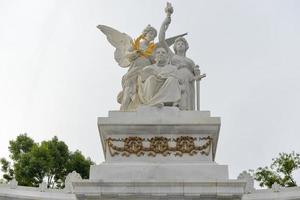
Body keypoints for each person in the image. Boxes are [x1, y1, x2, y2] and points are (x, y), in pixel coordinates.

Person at [158, 16, 200, 110]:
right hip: (177, 77)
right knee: (180, 96)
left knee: (188, 97)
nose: (180, 45)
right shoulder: (172, 56)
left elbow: (196, 74)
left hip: (189, 80)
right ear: (175, 47)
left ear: (186, 47)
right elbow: (161, 39)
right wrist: (166, 20)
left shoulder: (190, 61)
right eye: (178, 44)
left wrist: (197, 72)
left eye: (182, 44)